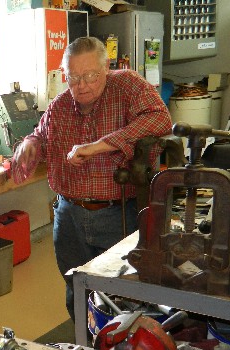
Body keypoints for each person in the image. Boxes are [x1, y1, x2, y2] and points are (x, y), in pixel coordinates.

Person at [12, 36, 172, 327]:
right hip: (68, 215)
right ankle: (84, 348)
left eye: (90, 76)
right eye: (73, 78)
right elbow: (41, 133)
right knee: (75, 286)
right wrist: (30, 142)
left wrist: (100, 145)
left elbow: (159, 120)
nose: (82, 85)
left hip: (116, 213)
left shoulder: (128, 86)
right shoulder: (60, 105)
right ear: (65, 74)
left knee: (121, 291)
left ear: (106, 68)